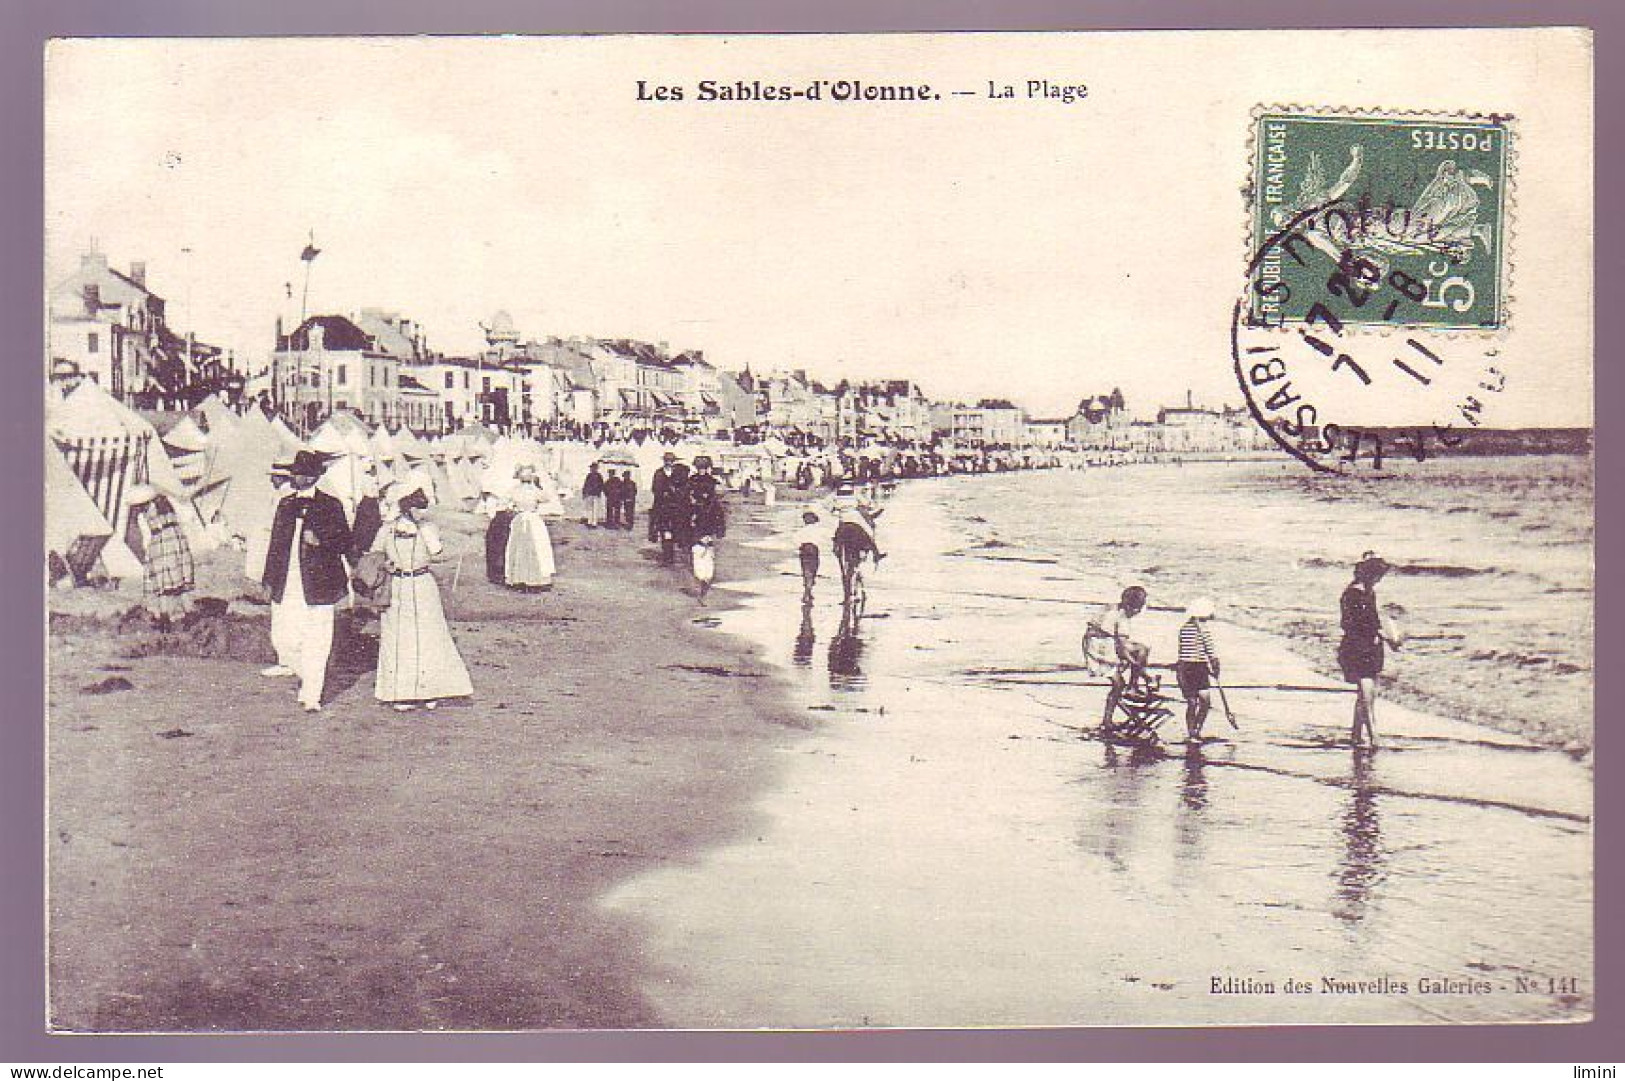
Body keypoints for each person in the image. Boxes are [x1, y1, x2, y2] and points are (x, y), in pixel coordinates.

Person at [261, 451, 353, 713]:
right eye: (295, 472)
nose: (297, 477)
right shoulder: (286, 504)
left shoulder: (331, 505)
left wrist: (322, 541)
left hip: (319, 582)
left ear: (315, 476)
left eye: (302, 473)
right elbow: (275, 545)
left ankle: (312, 693)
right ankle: (305, 675)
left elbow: (345, 542)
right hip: (287, 581)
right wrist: (269, 579)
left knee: (318, 638)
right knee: (285, 638)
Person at [375, 488, 473, 712]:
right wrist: (385, 564)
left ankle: (429, 690)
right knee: (400, 638)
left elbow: (438, 552)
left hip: (422, 584)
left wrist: (433, 536)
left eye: (422, 507)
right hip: (398, 584)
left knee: (428, 635)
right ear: (404, 507)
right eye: (416, 507)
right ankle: (400, 693)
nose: (420, 512)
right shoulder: (388, 529)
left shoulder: (428, 529)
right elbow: (374, 554)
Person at [1339, 553, 1402, 748]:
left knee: (1366, 693)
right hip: (1357, 648)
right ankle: (1374, 735)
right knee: (1367, 693)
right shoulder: (1353, 595)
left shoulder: (1367, 592)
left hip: (1369, 647)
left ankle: (1356, 734)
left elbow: (1372, 623)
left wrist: (1384, 637)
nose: (1379, 580)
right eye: (1378, 576)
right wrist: (1388, 637)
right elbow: (1356, 624)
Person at [124, 484, 194, 626]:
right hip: (177, 539)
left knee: (164, 584)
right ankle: (190, 613)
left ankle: (164, 617)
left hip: (162, 542)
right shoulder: (167, 504)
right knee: (180, 582)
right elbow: (186, 516)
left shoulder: (147, 511)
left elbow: (138, 534)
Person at [1083, 585, 1150, 730]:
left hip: (1094, 643)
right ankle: (1131, 689)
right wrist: (1137, 666)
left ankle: (1132, 687)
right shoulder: (1122, 618)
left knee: (1140, 651)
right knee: (1119, 683)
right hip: (1101, 648)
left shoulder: (1112, 608)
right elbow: (1121, 646)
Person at [505, 466, 561, 591]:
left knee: (519, 549)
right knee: (537, 549)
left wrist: (514, 509)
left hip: (520, 520)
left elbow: (507, 504)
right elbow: (547, 498)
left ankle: (518, 579)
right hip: (533, 520)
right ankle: (535, 579)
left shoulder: (514, 490)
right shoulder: (535, 490)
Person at [1176, 597, 1221, 741]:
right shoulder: (1204, 631)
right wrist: (1215, 670)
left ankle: (1191, 732)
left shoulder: (1183, 628)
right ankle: (1197, 729)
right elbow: (1212, 654)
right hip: (1198, 668)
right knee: (1205, 702)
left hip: (1184, 667)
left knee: (1192, 702)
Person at [793, 510, 825, 603]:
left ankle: (807, 592)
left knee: (806, 571)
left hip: (804, 549)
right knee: (813, 570)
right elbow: (824, 539)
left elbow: (796, 540)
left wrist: (799, 547)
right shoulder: (818, 530)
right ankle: (808, 592)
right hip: (813, 549)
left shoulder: (801, 530)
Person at [692, 533, 717, 605]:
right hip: (701, 565)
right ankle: (701, 597)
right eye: (705, 538)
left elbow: (713, 556)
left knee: (708, 580)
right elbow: (701, 555)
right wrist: (706, 548)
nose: (707, 540)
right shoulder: (696, 547)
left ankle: (702, 596)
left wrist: (711, 550)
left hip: (708, 564)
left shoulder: (710, 548)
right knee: (702, 580)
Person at [582, 462, 606, 528]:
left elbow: (602, 485)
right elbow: (585, 485)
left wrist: (600, 492)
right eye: (591, 468)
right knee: (589, 509)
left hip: (596, 495)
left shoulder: (599, 476)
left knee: (595, 509)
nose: (592, 469)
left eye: (593, 468)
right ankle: (589, 522)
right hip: (589, 494)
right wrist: (584, 493)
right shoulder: (589, 476)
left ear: (596, 468)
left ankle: (594, 523)